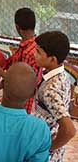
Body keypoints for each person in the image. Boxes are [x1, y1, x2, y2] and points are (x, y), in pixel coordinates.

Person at [33, 31, 76, 162]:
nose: (34, 55)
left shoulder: (49, 90)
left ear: (52, 59)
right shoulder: (61, 74)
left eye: (38, 52)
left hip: (45, 151)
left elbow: (69, 130)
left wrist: (49, 148)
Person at [0, 7, 41, 114]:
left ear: (17, 27)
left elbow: (22, 82)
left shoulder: (28, 52)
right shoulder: (32, 45)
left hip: (22, 103)